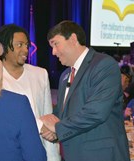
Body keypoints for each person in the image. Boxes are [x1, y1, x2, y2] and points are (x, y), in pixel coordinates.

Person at [40, 20, 130, 161]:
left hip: (100, 155)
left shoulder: (104, 65)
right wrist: (52, 131)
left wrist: (57, 128)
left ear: (73, 39)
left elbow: (95, 112)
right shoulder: (65, 75)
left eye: (55, 44)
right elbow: (62, 113)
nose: (53, 52)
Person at [0, 24, 60, 161]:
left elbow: (47, 116)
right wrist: (39, 125)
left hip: (35, 151)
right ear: (5, 47)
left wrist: (54, 157)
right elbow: (2, 118)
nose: (26, 49)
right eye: (19, 45)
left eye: (26, 45)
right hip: (5, 150)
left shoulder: (40, 74)